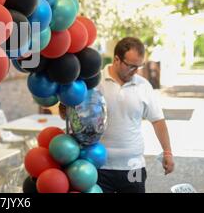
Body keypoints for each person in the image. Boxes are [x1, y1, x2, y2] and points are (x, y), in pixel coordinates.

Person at [61, 37, 174, 193]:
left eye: (139, 67)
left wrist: (167, 152)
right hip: (98, 165)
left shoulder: (143, 85)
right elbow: (69, 113)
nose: (136, 71)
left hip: (133, 167)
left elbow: (158, 120)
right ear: (116, 59)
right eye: (131, 66)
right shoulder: (94, 82)